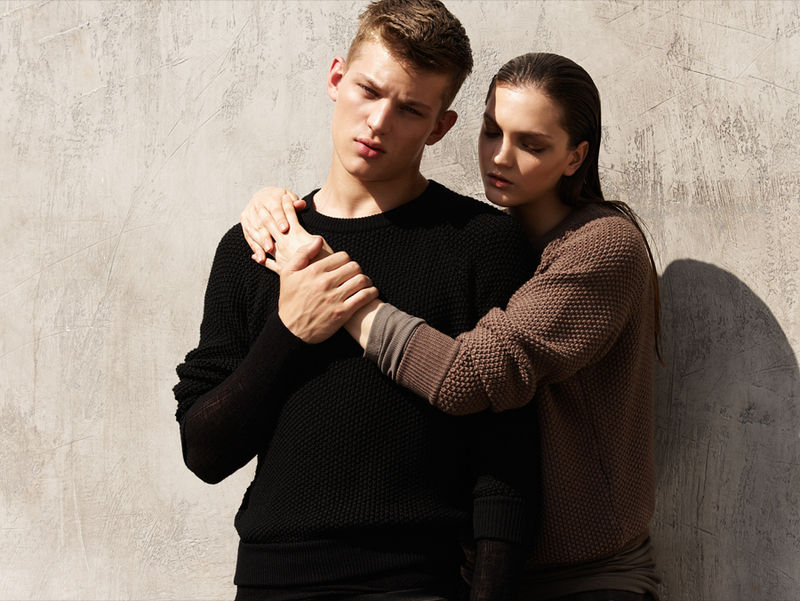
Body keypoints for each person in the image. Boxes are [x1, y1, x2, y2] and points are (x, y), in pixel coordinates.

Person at [241, 53, 662, 601]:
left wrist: (329, 286)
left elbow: (472, 376)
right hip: (479, 570)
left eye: (532, 145)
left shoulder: (603, 247)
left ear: (574, 157)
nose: (501, 157)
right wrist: (272, 207)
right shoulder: (492, 242)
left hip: (584, 577)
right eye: (492, 132)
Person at [174, 1, 539, 599]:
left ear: (440, 126)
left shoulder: (481, 244)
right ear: (336, 78)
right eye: (368, 91)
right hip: (270, 580)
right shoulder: (256, 247)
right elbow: (205, 453)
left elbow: (508, 460)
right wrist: (290, 331)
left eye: (410, 109)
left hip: (413, 582)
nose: (379, 122)